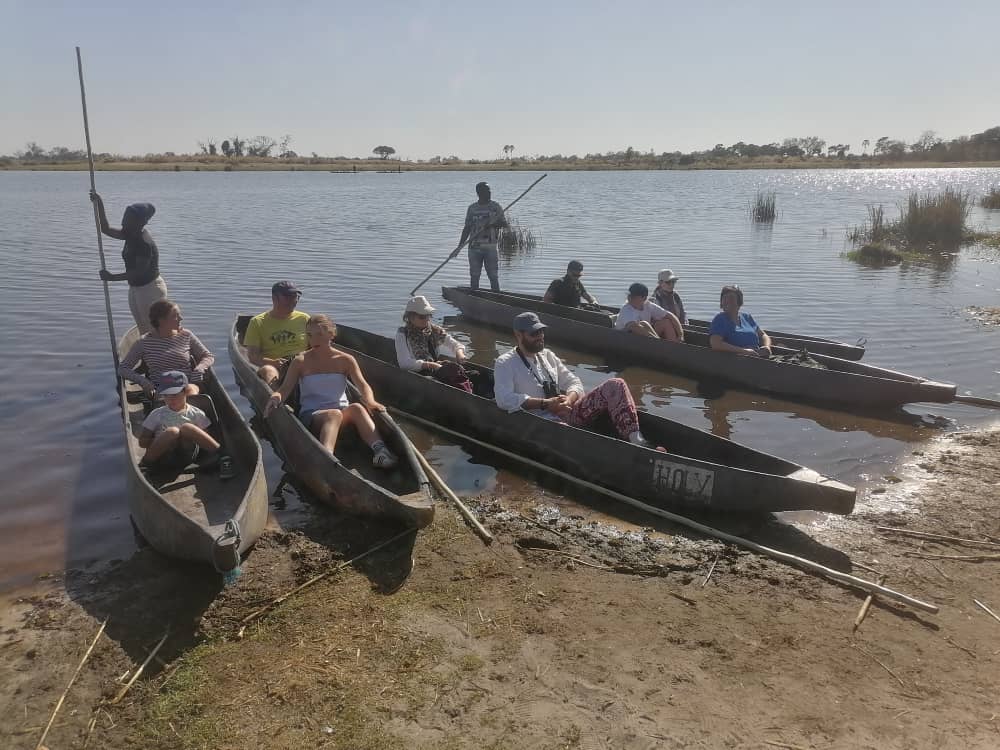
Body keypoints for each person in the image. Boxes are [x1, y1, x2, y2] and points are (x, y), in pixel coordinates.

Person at [494, 312, 665, 451]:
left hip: (565, 411)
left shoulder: (547, 355)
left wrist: (569, 399)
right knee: (566, 432)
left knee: (616, 384)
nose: (540, 337)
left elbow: (573, 382)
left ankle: (637, 440)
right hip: (541, 421)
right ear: (518, 335)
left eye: (541, 332)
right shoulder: (505, 363)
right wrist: (545, 404)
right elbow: (504, 399)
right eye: (534, 334)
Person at [265, 315, 398, 468]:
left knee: (357, 408)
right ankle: (326, 458)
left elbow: (363, 385)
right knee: (333, 414)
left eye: (319, 335)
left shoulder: (345, 359)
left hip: (341, 412)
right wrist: (275, 397)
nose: (313, 340)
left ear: (331, 334)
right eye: (309, 335)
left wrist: (371, 401)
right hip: (312, 415)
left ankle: (381, 452)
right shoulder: (300, 361)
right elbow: (284, 389)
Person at [90, 191, 168, 334]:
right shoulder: (130, 233)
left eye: (129, 218)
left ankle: (159, 355)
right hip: (136, 288)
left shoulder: (143, 243)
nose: (123, 221)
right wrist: (99, 202)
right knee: (143, 329)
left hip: (150, 289)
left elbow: (138, 272)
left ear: (140, 222)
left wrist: (111, 277)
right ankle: (147, 354)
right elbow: (105, 229)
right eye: (125, 216)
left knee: (154, 330)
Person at [138, 371, 233, 478]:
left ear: (185, 392)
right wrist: (164, 440)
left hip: (188, 454)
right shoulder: (157, 414)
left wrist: (184, 437)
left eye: (174, 394)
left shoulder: (196, 413)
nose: (170, 399)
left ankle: (223, 456)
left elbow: (206, 438)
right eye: (166, 395)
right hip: (163, 456)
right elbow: (142, 442)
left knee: (186, 428)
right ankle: (144, 465)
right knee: (172, 432)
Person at [118, 300, 214, 398]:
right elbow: (123, 369)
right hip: (162, 388)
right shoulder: (143, 342)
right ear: (161, 320)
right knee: (168, 399)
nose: (181, 318)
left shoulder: (186, 335)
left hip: (187, 385)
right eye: (176, 316)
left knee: (191, 395)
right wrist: (144, 382)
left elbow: (207, 356)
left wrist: (199, 369)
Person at [395, 296, 472, 391]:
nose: (427, 319)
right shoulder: (403, 334)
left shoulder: (434, 330)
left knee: (472, 374)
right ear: (410, 317)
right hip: (417, 373)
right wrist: (431, 365)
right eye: (422, 316)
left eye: (428, 315)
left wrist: (459, 353)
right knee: (435, 382)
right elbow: (404, 363)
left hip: (434, 368)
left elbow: (453, 343)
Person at [244, 281, 311, 386]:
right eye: (288, 297)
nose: (293, 300)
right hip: (275, 365)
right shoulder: (257, 322)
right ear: (274, 298)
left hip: (302, 362)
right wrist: (273, 362)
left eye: (295, 296)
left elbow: (316, 346)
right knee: (268, 371)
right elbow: (253, 356)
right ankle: (275, 398)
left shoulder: (304, 319)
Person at [452, 181, 508, 291]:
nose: (489, 193)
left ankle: (496, 297)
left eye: (489, 190)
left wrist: (492, 224)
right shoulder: (472, 208)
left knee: (493, 276)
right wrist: (459, 246)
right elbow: (467, 228)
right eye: (486, 191)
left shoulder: (495, 207)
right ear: (479, 193)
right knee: (474, 275)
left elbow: (504, 224)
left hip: (490, 247)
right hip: (474, 248)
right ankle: (474, 297)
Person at [708, 285, 773, 357]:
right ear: (721, 303)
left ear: (739, 302)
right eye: (724, 298)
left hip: (758, 356)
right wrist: (745, 351)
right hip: (739, 359)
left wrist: (767, 346)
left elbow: (763, 335)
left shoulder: (747, 317)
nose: (727, 301)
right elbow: (716, 344)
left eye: (731, 298)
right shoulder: (720, 319)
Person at [614, 283, 684, 341]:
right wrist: (653, 338)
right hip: (626, 338)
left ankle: (674, 346)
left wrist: (681, 334)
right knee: (644, 324)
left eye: (633, 296)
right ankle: (660, 345)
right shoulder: (627, 309)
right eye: (629, 296)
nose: (629, 298)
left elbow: (670, 316)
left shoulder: (648, 305)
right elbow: (633, 326)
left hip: (645, 337)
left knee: (666, 322)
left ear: (644, 298)